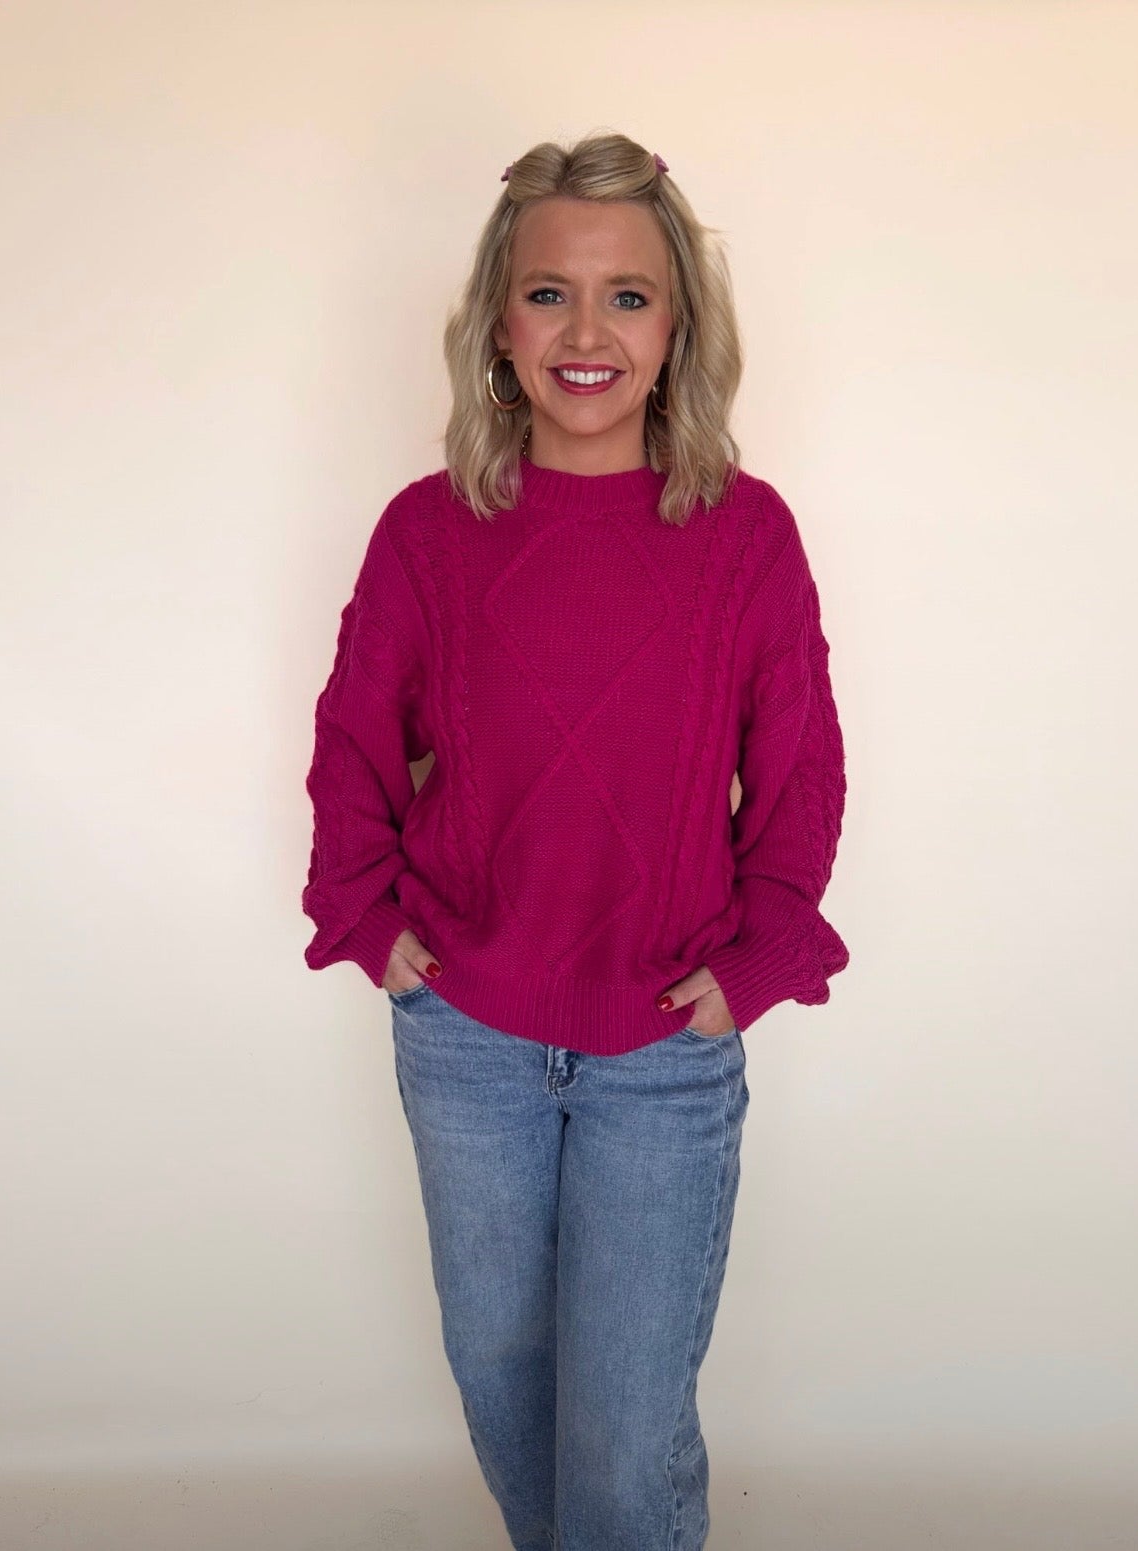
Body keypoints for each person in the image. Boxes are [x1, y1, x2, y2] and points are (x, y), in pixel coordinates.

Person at [301, 131, 849, 1551]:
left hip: (662, 1047)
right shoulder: (429, 533)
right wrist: (372, 926)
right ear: (496, 323)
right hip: (467, 1036)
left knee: (623, 1422)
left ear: (677, 332)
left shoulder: (743, 536)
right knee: (501, 1377)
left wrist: (761, 954)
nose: (586, 331)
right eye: (549, 293)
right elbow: (353, 738)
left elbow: (796, 769)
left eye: (628, 296)